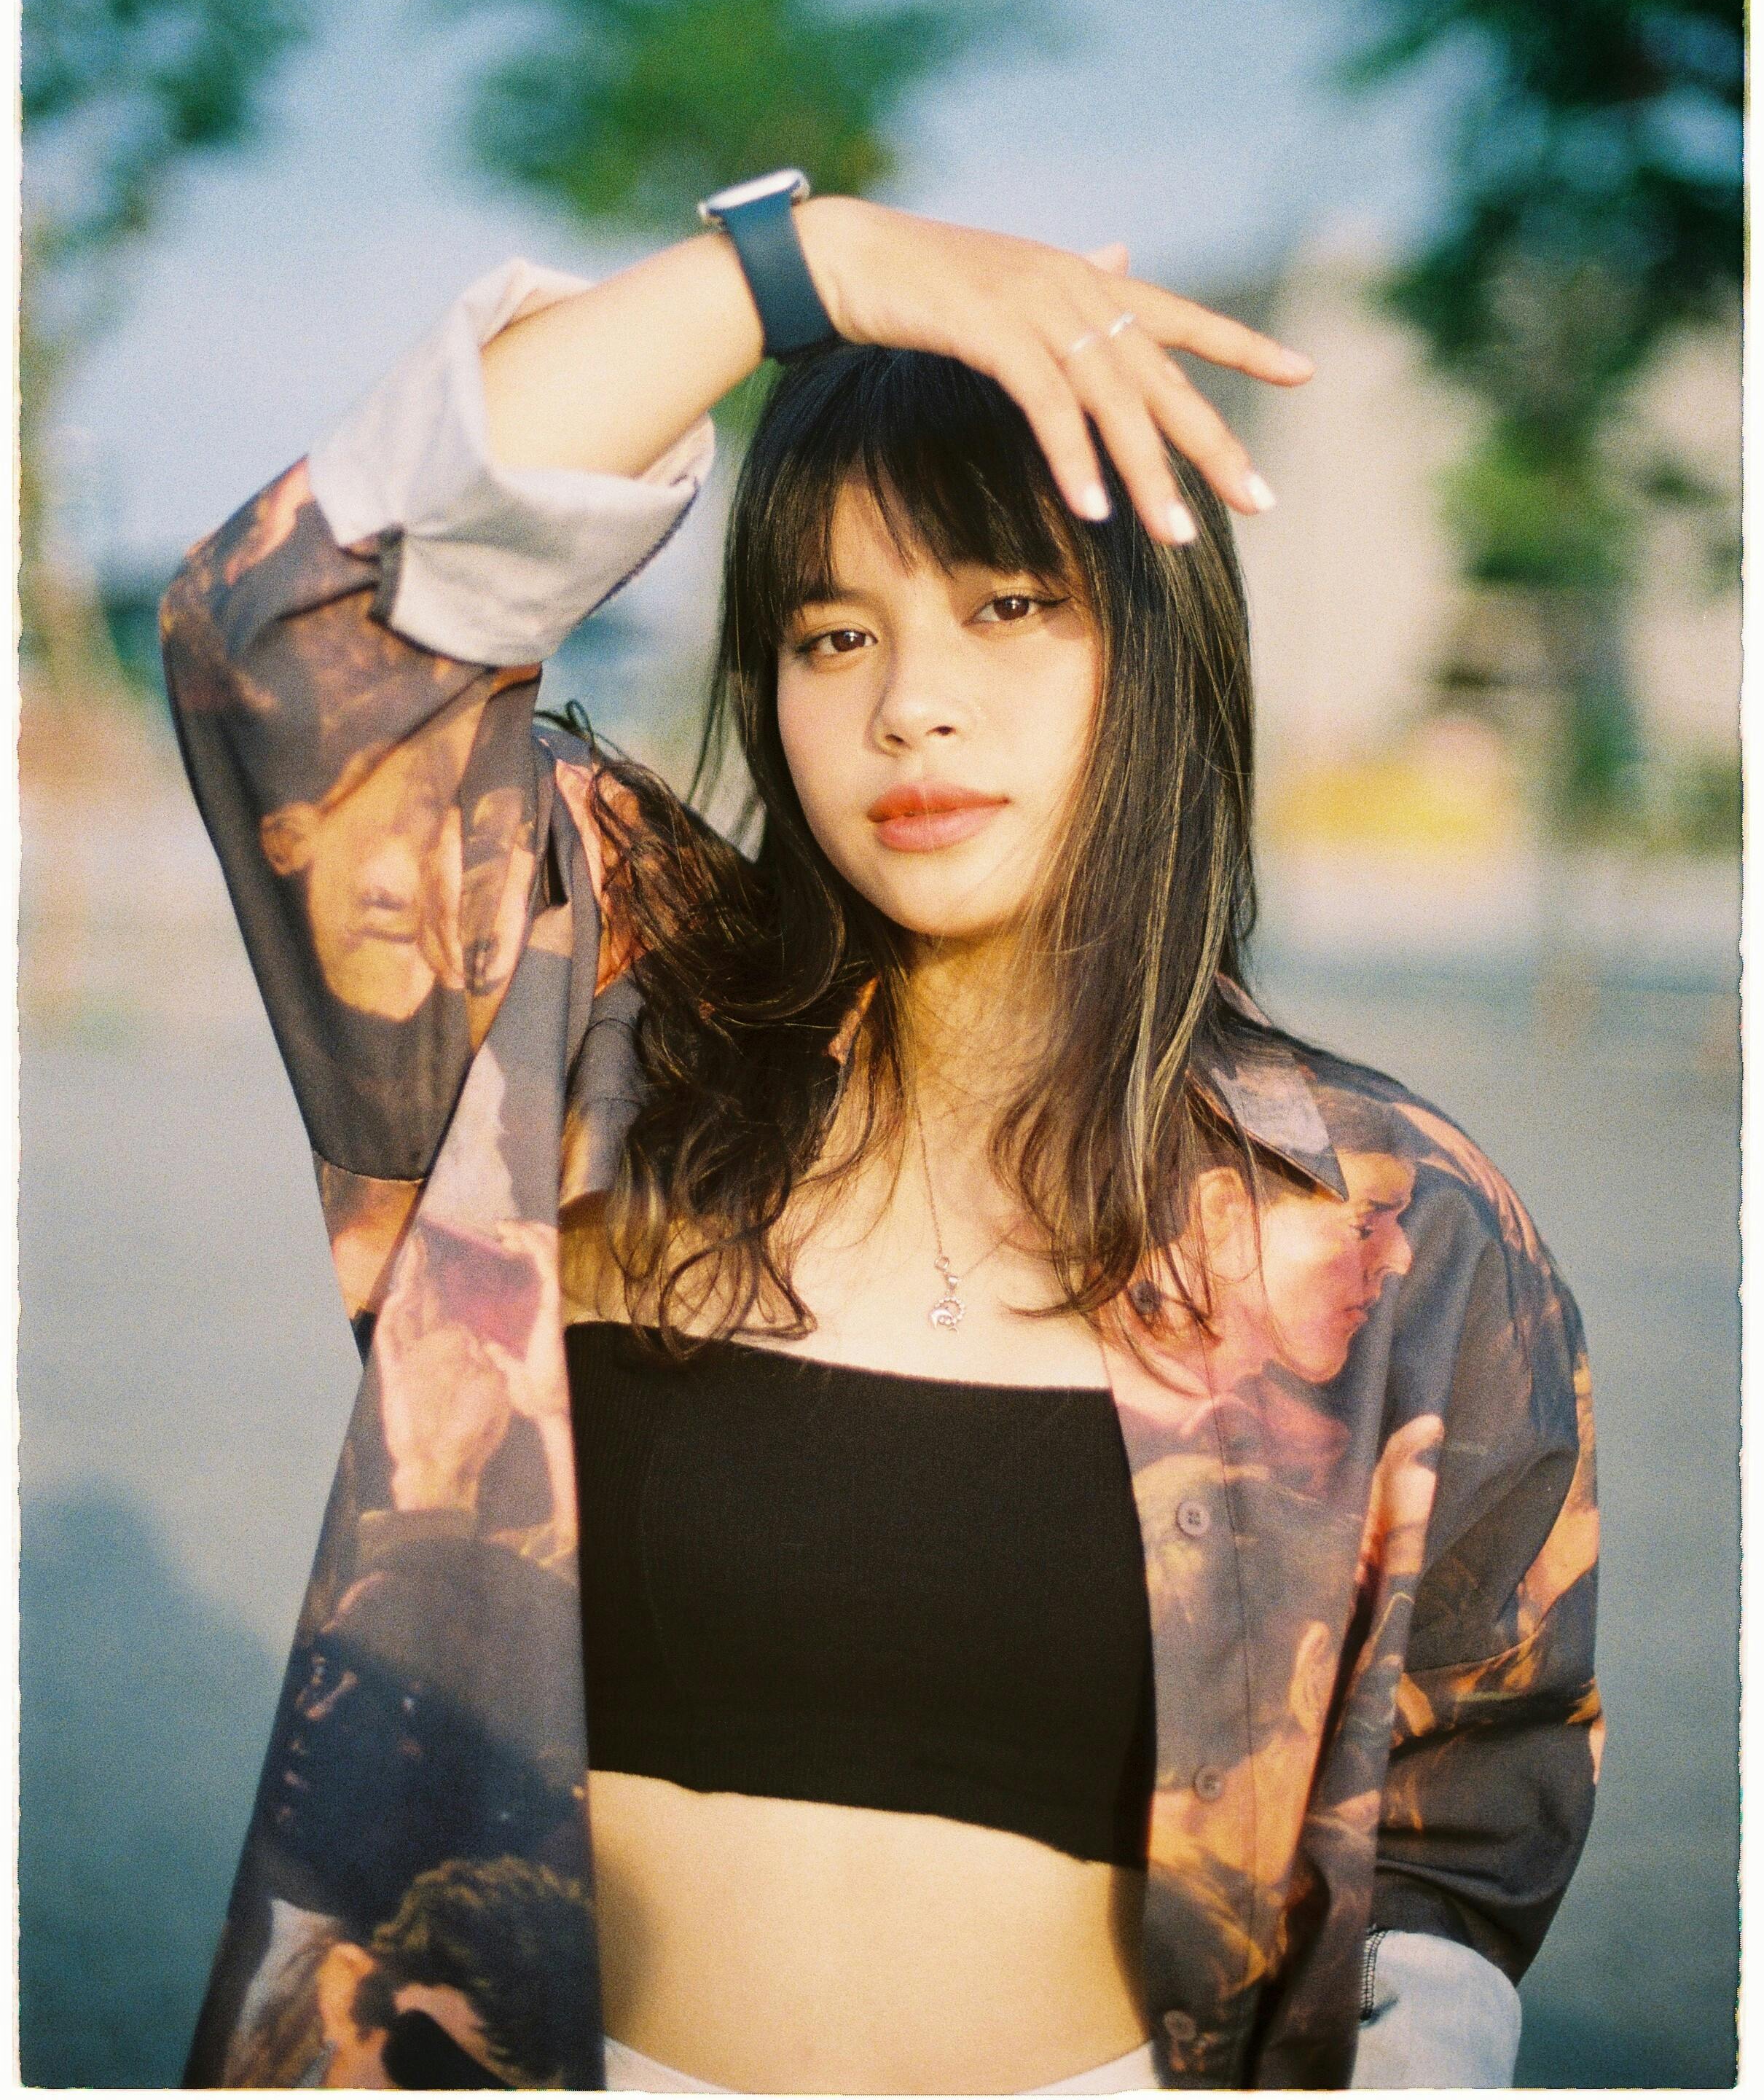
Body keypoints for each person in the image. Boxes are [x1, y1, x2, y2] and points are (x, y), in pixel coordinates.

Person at [163, 185, 1601, 2092]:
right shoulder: (596, 1046)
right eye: (834, 633)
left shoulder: (1381, 1221)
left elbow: (1452, 1817)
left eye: (1010, 607)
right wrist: (803, 265)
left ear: (1160, 648)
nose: (913, 707)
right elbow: (290, 638)